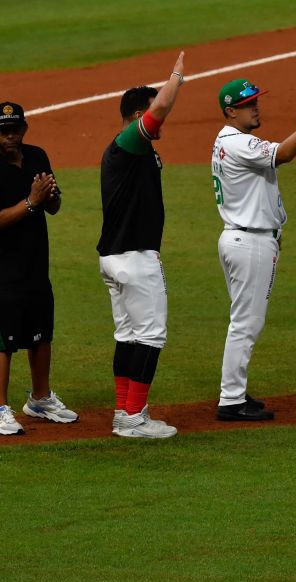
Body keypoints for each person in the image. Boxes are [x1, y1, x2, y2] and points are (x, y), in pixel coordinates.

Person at [211, 77, 296, 421]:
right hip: (249, 242)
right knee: (246, 323)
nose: (256, 107)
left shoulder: (226, 140)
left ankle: (235, 391)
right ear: (230, 111)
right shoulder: (238, 143)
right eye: (248, 104)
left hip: (244, 237)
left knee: (244, 321)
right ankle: (230, 399)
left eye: (256, 101)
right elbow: (285, 153)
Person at [0, 101, 77, 436]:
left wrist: (50, 198)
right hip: (0, 267)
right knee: (2, 339)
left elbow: (54, 207)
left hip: (34, 261)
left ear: (24, 128)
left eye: (15, 129)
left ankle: (40, 398)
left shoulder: (37, 157)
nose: (10, 136)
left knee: (40, 331)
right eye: (3, 130)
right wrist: (32, 201)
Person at [97, 53, 186, 439]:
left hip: (115, 256)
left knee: (128, 336)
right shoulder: (127, 143)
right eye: (148, 115)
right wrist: (177, 77)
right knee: (151, 336)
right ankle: (134, 418)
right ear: (137, 117)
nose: (158, 121)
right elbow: (161, 107)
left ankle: (124, 411)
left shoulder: (127, 150)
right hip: (134, 257)